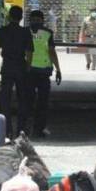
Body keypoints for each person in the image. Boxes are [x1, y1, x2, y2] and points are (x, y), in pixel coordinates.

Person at [0, 6, 34, 138]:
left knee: (5, 99)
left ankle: (7, 130)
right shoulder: (25, 32)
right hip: (20, 66)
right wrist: (28, 67)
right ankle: (21, 130)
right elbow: (29, 52)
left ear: (9, 16)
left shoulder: (2, 31)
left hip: (7, 66)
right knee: (22, 99)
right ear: (21, 17)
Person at [28, 10, 61, 138]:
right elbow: (52, 52)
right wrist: (58, 69)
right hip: (43, 72)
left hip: (29, 71)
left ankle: (25, 129)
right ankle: (39, 129)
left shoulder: (25, 32)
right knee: (42, 103)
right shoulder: (48, 33)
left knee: (27, 101)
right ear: (43, 20)